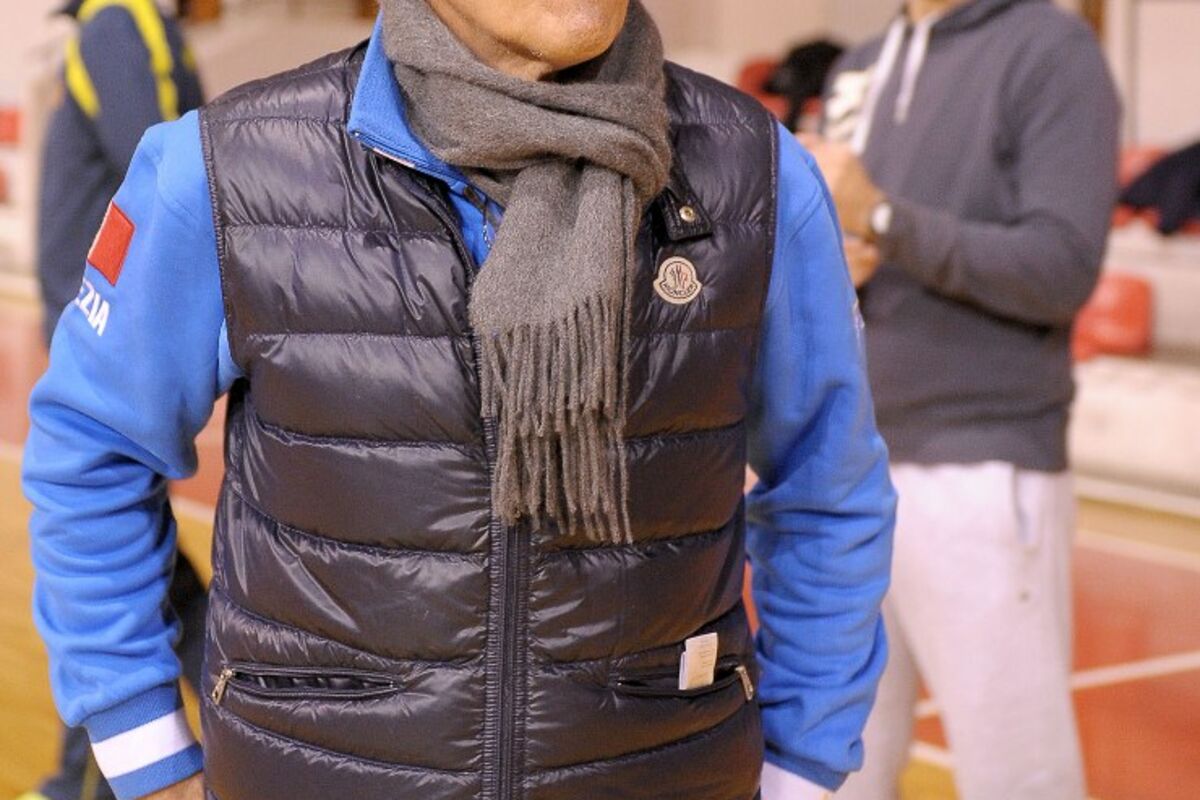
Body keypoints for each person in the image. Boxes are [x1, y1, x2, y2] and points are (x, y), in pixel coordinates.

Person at [22, 1, 896, 799]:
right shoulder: (225, 169)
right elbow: (92, 452)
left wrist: (801, 766)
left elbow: (830, 489)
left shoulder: (757, 175)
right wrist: (142, 746)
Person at [804, 1, 1119, 798]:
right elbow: (848, 237)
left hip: (978, 466)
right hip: (842, 474)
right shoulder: (858, 65)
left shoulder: (1050, 48)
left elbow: (1061, 269)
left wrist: (884, 218)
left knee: (1017, 778)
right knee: (830, 775)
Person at [22, 3, 206, 800]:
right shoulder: (112, 26)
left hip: (115, 350)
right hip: (96, 340)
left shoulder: (118, 24)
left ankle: (84, 783)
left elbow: (169, 182)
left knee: (118, 569)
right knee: (139, 573)